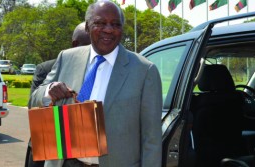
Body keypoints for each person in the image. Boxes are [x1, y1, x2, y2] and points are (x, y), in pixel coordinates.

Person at [29, 1, 163, 167]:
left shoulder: (144, 71)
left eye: (115, 24)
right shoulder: (67, 58)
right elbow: (33, 101)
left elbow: (152, 139)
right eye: (100, 23)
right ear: (87, 27)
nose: (108, 29)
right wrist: (48, 91)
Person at [25, 22, 91, 167]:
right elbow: (33, 105)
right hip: (47, 149)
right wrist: (49, 91)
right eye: (89, 45)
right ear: (75, 44)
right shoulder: (47, 68)